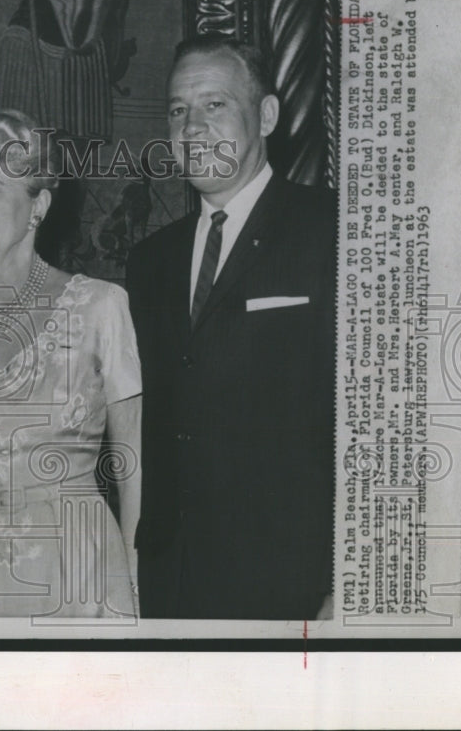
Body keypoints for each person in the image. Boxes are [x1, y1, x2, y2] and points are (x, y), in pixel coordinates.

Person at [126, 35, 337, 620]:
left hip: (292, 582)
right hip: (172, 580)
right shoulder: (150, 261)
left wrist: (345, 582)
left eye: (214, 104)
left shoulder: (334, 231)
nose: (192, 127)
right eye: (177, 110)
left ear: (266, 115)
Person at [0, 110, 141, 617]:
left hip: (78, 573)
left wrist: (130, 576)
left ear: (39, 205)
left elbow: (131, 466)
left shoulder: (101, 307)